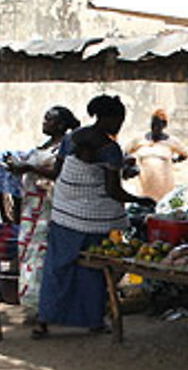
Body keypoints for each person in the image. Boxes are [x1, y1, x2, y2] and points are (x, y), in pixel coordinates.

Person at [34, 95, 154, 338]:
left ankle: (43, 321)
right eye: (119, 120)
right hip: (95, 220)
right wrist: (140, 200)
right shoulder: (110, 150)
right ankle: (93, 321)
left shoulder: (70, 138)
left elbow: (57, 172)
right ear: (108, 118)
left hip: (64, 214)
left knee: (57, 268)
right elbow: (113, 191)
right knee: (95, 269)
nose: (120, 125)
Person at [5, 105, 81, 315]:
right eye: (45, 118)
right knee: (28, 253)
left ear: (62, 125)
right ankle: (33, 302)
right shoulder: (45, 146)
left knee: (41, 256)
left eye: (50, 120)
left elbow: (59, 173)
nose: (44, 122)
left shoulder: (66, 146)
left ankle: (45, 304)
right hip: (31, 208)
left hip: (49, 208)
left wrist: (28, 168)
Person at [127, 108, 188, 202]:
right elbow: (126, 152)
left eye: (158, 125)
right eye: (153, 124)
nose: (155, 128)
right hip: (144, 187)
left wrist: (174, 160)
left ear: (164, 125)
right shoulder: (140, 140)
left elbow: (185, 154)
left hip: (164, 187)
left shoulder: (172, 141)